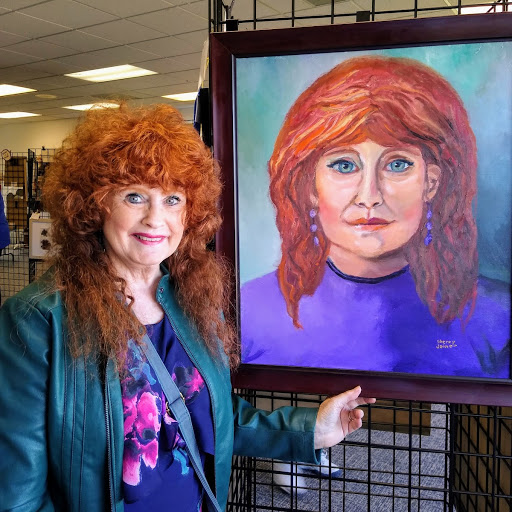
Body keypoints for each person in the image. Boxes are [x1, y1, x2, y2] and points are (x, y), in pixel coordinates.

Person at [0, 104, 375, 511]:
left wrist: (310, 429)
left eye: (173, 199)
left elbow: (209, 416)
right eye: (134, 196)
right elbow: (18, 493)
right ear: (96, 204)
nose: (155, 219)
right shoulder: (38, 319)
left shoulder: (192, 297)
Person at [241, 55, 510, 378]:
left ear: (431, 182)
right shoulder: (248, 313)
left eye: (397, 164)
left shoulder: (496, 320)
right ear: (309, 185)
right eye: (344, 165)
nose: (369, 196)